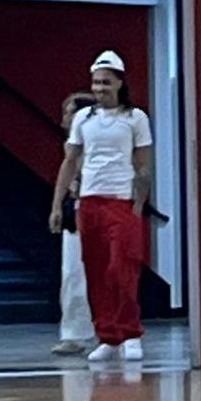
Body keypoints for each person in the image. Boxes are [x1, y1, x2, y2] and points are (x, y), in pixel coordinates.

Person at [49, 51, 152, 366]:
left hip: (121, 203)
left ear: (120, 83)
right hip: (89, 203)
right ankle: (107, 336)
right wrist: (57, 205)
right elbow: (70, 162)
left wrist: (137, 204)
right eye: (96, 83)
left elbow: (144, 165)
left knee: (121, 269)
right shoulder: (83, 119)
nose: (100, 88)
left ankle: (130, 334)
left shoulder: (136, 118)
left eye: (106, 82)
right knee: (95, 273)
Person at [51, 91, 96, 358]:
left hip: (96, 208)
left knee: (89, 274)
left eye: (68, 112)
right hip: (76, 211)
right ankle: (75, 333)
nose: (63, 119)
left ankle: (110, 331)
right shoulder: (70, 146)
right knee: (72, 274)